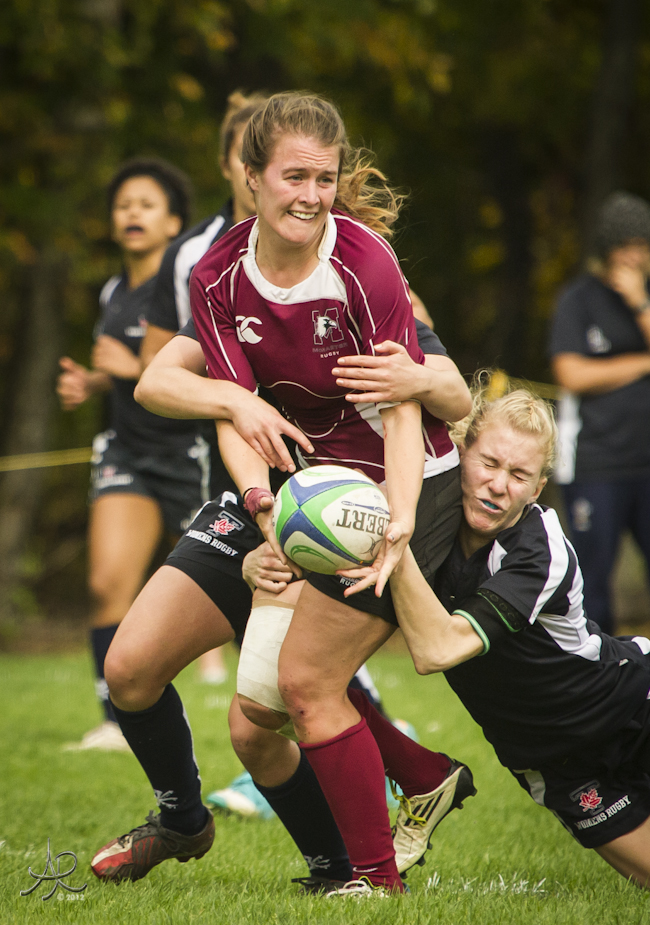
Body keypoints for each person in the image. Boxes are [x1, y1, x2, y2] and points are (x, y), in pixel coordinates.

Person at [190, 90, 473, 894]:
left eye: (325, 177)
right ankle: (420, 779)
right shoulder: (215, 276)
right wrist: (265, 513)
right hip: (309, 492)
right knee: (259, 708)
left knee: (305, 683)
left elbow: (404, 406)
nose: (312, 195)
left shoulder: (365, 261)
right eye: (293, 177)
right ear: (250, 177)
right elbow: (237, 413)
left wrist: (401, 524)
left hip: (408, 478)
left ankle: (373, 879)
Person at [90, 308, 472, 891]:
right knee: (128, 669)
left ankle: (343, 866)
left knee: (260, 717)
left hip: (346, 512)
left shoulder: (362, 282)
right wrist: (236, 403)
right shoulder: (233, 286)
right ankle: (182, 821)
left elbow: (453, 393)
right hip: (263, 501)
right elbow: (156, 383)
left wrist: (417, 380)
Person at [382, 384, 650, 889]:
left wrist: (391, 540)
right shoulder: (427, 526)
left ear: (537, 486)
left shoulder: (537, 547)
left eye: (519, 474)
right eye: (489, 463)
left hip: (635, 704)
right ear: (461, 454)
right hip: (556, 764)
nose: (499, 484)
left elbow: (438, 649)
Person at [56, 157, 203, 752]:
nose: (132, 213)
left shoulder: (188, 282)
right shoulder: (114, 289)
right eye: (123, 205)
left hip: (189, 450)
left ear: (174, 223)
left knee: (243, 587)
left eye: (146, 204)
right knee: (105, 583)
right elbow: (120, 368)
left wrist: (129, 366)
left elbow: (183, 365)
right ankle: (115, 723)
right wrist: (91, 383)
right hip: (128, 449)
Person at [549, 191, 650, 635]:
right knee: (594, 583)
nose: (634, 255)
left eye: (642, 245)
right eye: (625, 245)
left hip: (646, 462)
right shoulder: (578, 300)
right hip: (595, 463)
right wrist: (643, 363)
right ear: (607, 248)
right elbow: (571, 373)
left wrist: (639, 303)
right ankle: (599, 674)